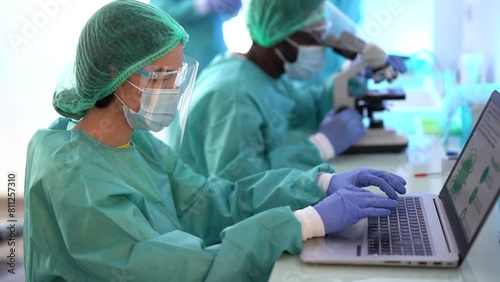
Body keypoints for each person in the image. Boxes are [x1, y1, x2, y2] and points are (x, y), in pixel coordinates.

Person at [24, 1, 406, 281]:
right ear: (114, 73)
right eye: (160, 77)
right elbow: (187, 272)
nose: (172, 90)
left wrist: (317, 184)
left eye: (176, 76)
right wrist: (304, 222)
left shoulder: (134, 142)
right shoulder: (81, 183)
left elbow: (210, 201)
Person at [174, 0, 370, 182]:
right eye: (313, 38)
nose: (322, 47)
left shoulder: (263, 75)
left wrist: (353, 73)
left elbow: (305, 109)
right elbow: (240, 187)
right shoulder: (234, 96)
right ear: (279, 34)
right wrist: (320, 146)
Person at [150, 0, 241, 72]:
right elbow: (161, 11)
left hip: (216, 50)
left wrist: (230, 6)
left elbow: (222, 15)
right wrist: (201, 5)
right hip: (186, 52)